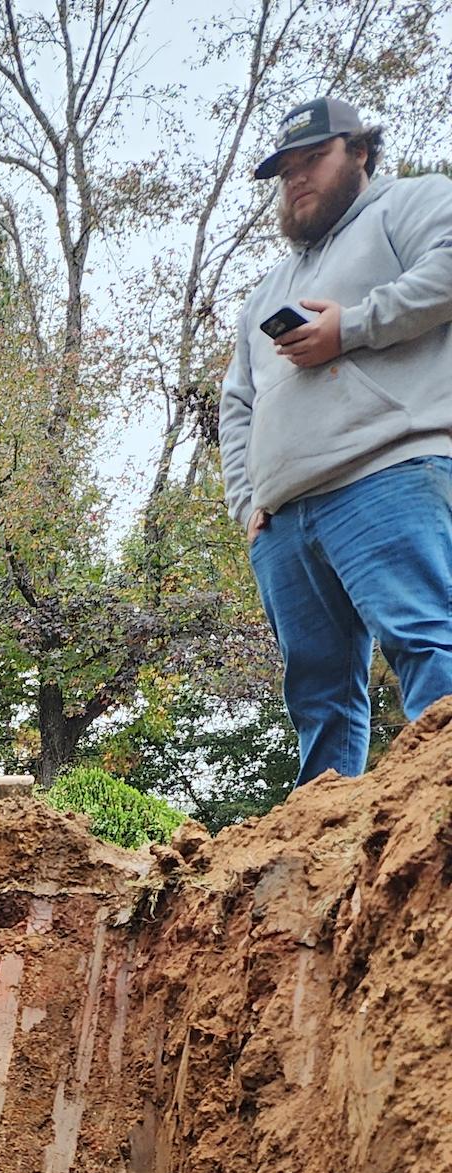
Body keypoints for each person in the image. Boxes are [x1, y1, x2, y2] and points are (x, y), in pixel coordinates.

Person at [220, 96, 452, 787]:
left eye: (312, 159)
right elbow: (237, 403)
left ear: (359, 151)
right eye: (284, 171)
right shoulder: (266, 292)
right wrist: (247, 505)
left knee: (426, 641)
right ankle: (313, 857)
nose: (296, 180)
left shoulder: (410, 203)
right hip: (285, 519)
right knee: (318, 699)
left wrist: (350, 327)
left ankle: (438, 825)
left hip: (388, 474)